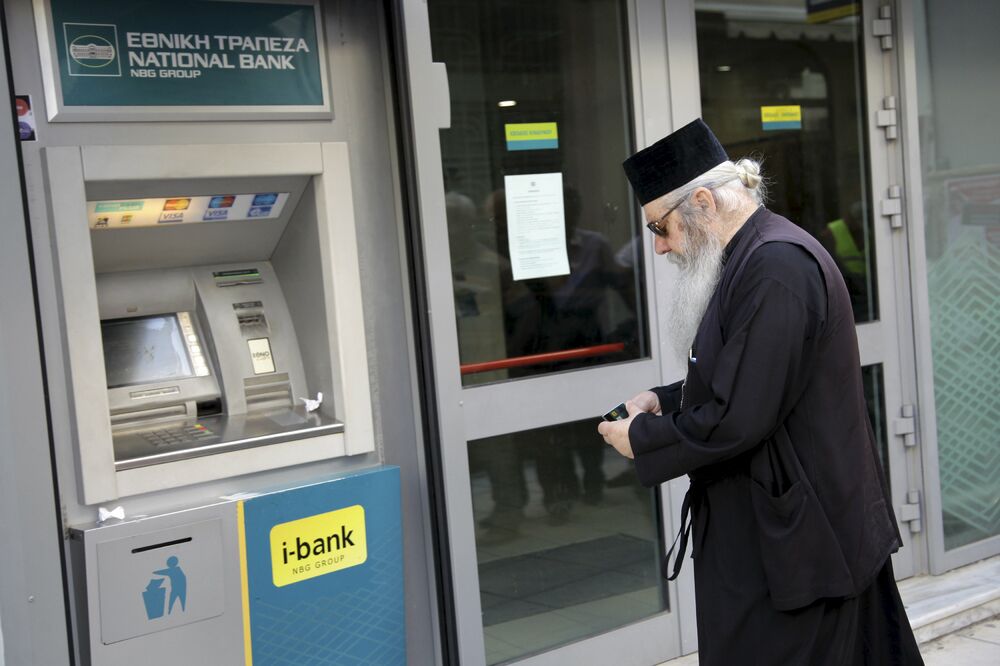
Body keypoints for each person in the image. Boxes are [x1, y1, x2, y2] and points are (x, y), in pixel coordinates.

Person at [597, 119, 923, 665]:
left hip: (800, 541)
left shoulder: (775, 266)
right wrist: (664, 400)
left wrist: (644, 438)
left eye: (660, 228)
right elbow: (754, 375)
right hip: (788, 531)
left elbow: (740, 416)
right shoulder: (754, 258)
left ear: (702, 201)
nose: (660, 248)